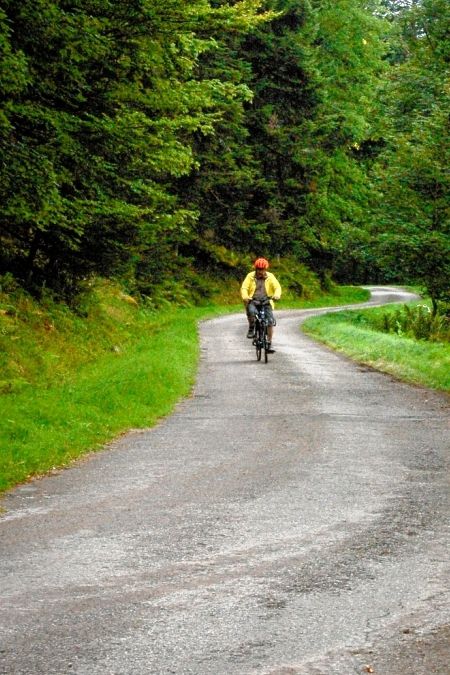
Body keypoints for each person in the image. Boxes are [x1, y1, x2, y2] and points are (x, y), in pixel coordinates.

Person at [240, 257, 281, 353]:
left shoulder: (270, 277)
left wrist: (276, 295)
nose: (260, 272)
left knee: (270, 321)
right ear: (255, 269)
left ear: (266, 269)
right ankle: (251, 328)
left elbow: (277, 287)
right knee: (251, 312)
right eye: (258, 269)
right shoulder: (250, 276)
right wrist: (245, 296)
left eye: (262, 270)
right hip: (253, 300)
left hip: (266, 301)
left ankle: (269, 344)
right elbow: (244, 288)